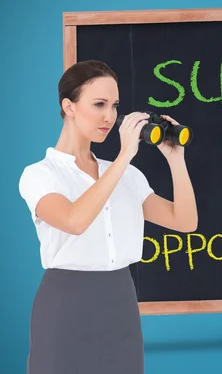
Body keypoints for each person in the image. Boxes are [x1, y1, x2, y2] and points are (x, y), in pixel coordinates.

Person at [18, 60, 198, 374]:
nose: (110, 116)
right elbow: (75, 221)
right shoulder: (39, 175)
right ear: (69, 106)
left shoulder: (127, 175)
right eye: (99, 104)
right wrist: (124, 154)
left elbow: (184, 221)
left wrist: (176, 160)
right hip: (65, 304)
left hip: (120, 301)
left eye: (114, 105)